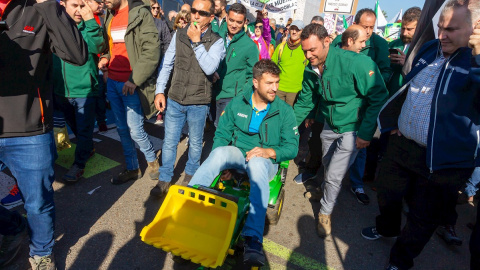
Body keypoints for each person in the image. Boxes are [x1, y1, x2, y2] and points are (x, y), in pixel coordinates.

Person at [360, 1, 480, 269]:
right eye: (440, 27)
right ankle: (387, 228)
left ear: (474, 29)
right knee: (387, 192)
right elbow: (409, 86)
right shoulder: (430, 47)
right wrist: (394, 122)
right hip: (403, 144)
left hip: (445, 162)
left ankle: (400, 260)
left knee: (422, 218)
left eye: (451, 29)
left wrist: (479, 56)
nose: (441, 35)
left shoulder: (475, 59)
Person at [0, 0, 88, 267]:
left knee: (37, 204)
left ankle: (41, 252)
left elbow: (77, 54)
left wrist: (48, 5)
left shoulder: (40, 7)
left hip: (30, 131)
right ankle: (14, 226)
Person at [188, 59, 299, 267]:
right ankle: (189, 208)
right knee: (219, 153)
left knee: (257, 163)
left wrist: (268, 151)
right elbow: (221, 134)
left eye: (277, 82)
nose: (275, 88)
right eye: (269, 83)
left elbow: (292, 147)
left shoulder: (284, 111)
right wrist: (226, 166)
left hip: (265, 161)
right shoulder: (238, 103)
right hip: (240, 154)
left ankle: (253, 239)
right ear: (255, 83)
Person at [294, 23, 388, 238]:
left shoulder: (357, 63)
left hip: (352, 129)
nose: (308, 55)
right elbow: (305, 101)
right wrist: (288, 128)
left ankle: (325, 213)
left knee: (335, 175)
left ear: (327, 41)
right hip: (329, 125)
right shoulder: (310, 68)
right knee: (327, 165)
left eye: (312, 50)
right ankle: (326, 192)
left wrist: (365, 132)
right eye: (305, 50)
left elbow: (378, 96)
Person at [152, 0, 226, 197]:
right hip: (175, 98)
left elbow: (210, 68)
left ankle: (191, 175)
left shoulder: (217, 41)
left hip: (198, 102)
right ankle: (165, 178)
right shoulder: (179, 34)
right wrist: (160, 91)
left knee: (195, 142)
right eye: (194, 11)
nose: (196, 15)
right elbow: (167, 64)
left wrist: (196, 41)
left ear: (211, 17)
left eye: (201, 12)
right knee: (169, 141)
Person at [99, 0, 161, 185]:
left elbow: (151, 50)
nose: (104, 1)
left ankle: (152, 161)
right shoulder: (110, 14)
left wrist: (134, 80)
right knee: (121, 129)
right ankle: (133, 167)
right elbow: (110, 46)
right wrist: (105, 57)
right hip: (112, 82)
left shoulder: (140, 12)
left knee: (135, 128)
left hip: (131, 83)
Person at [53, 0, 107, 183]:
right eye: (74, 5)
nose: (78, 10)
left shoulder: (90, 25)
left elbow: (99, 47)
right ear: (63, 5)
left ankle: (79, 164)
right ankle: (88, 148)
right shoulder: (56, 27)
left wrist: (90, 21)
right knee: (74, 126)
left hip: (85, 90)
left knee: (83, 131)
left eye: (82, 6)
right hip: (61, 91)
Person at [212, 3, 259, 127]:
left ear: (245, 22)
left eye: (238, 22)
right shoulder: (216, 36)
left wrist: (240, 98)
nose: (233, 25)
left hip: (231, 97)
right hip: (211, 92)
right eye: (231, 20)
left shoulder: (250, 46)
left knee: (223, 132)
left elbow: (252, 77)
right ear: (226, 17)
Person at [332, 8, 392, 83]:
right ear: (355, 24)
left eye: (371, 27)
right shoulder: (339, 40)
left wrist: (371, 86)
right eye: (365, 27)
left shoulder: (380, 43)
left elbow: (385, 71)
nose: (368, 31)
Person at [387, 7, 422, 95]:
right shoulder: (393, 44)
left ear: (419, 27)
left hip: (407, 95)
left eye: (409, 29)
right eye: (403, 28)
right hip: (388, 92)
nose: (404, 33)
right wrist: (387, 60)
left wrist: (407, 65)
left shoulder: (424, 47)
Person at [272, 20, 305, 107]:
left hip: (296, 91)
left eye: (297, 30)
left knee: (290, 118)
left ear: (302, 32)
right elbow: (272, 66)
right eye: (292, 29)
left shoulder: (305, 48)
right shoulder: (281, 47)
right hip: (279, 89)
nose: (294, 32)